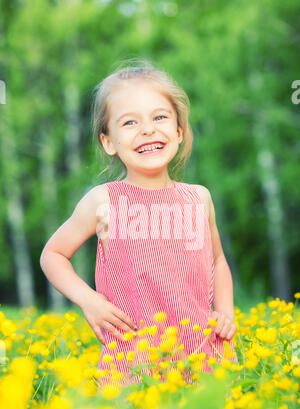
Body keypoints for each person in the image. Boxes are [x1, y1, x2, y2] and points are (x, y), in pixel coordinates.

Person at [40, 59, 238, 390]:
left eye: (159, 117)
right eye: (130, 122)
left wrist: (226, 311)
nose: (147, 129)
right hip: (134, 359)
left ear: (178, 131)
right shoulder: (102, 201)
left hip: (203, 353)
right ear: (109, 142)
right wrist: (89, 300)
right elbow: (53, 255)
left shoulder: (199, 199)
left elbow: (218, 262)